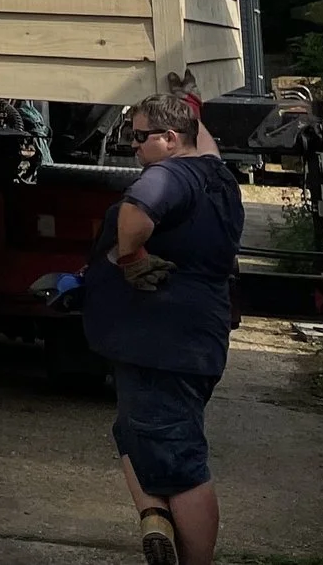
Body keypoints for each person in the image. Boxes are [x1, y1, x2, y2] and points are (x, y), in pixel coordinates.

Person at [82, 91, 245, 565]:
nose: (133, 147)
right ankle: (156, 520)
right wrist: (187, 98)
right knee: (134, 435)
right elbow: (203, 143)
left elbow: (139, 209)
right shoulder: (214, 172)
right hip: (192, 338)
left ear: (170, 138)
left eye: (139, 137)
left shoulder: (169, 174)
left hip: (162, 342)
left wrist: (131, 257)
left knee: (179, 462)